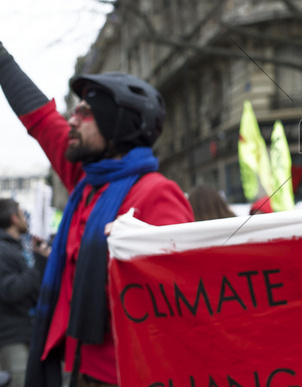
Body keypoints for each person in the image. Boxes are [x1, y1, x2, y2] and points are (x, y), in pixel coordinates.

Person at [0, 44, 194, 387]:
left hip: (126, 376)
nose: (71, 121)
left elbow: (183, 299)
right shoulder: (85, 184)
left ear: (115, 125)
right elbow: (41, 119)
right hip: (76, 368)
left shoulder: (155, 193)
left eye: (85, 113)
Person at [0, 199, 50, 387]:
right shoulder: (3, 250)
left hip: (24, 333)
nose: (26, 219)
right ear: (14, 218)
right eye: (22, 214)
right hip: (12, 337)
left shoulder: (15, 247)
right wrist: (38, 263)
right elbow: (11, 291)